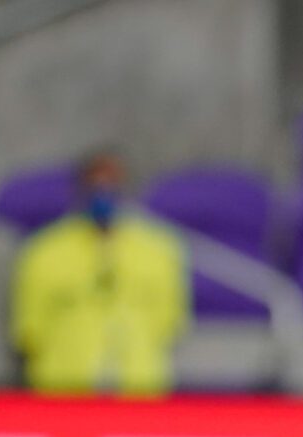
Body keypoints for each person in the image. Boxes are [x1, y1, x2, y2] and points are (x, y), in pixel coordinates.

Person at [10, 150, 189, 396]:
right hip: (62, 388)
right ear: (80, 191)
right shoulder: (44, 251)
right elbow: (30, 330)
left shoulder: (159, 249)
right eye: (95, 186)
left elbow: (170, 322)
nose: (103, 194)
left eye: (111, 185)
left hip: (139, 388)